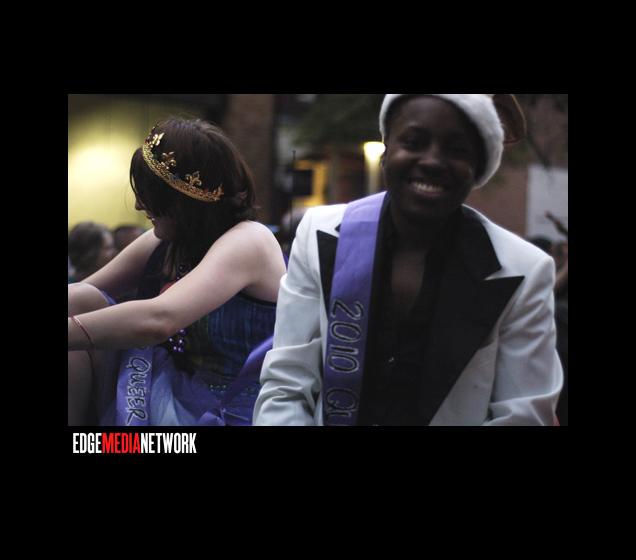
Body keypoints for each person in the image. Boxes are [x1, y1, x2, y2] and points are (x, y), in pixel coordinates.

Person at [254, 94, 563, 426]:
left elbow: (523, 415)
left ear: (478, 167)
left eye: (457, 150)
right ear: (386, 148)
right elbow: (286, 387)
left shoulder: (524, 271)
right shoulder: (319, 234)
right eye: (414, 142)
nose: (432, 161)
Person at [68, 118, 287, 426]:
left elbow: (160, 319)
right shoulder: (170, 237)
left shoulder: (250, 240)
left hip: (233, 412)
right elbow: (79, 296)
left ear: (182, 201)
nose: (137, 205)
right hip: (174, 393)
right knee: (81, 300)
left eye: (148, 194)